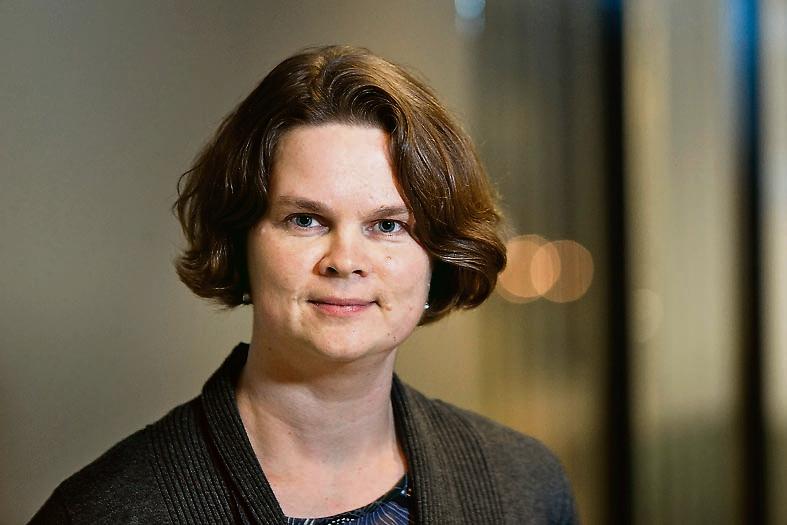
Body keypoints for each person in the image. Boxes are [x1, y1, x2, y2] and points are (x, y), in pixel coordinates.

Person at [30, 45, 577, 524]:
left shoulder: (526, 488)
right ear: (240, 240)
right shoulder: (105, 511)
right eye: (306, 220)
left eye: (388, 225)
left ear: (438, 254)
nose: (345, 261)